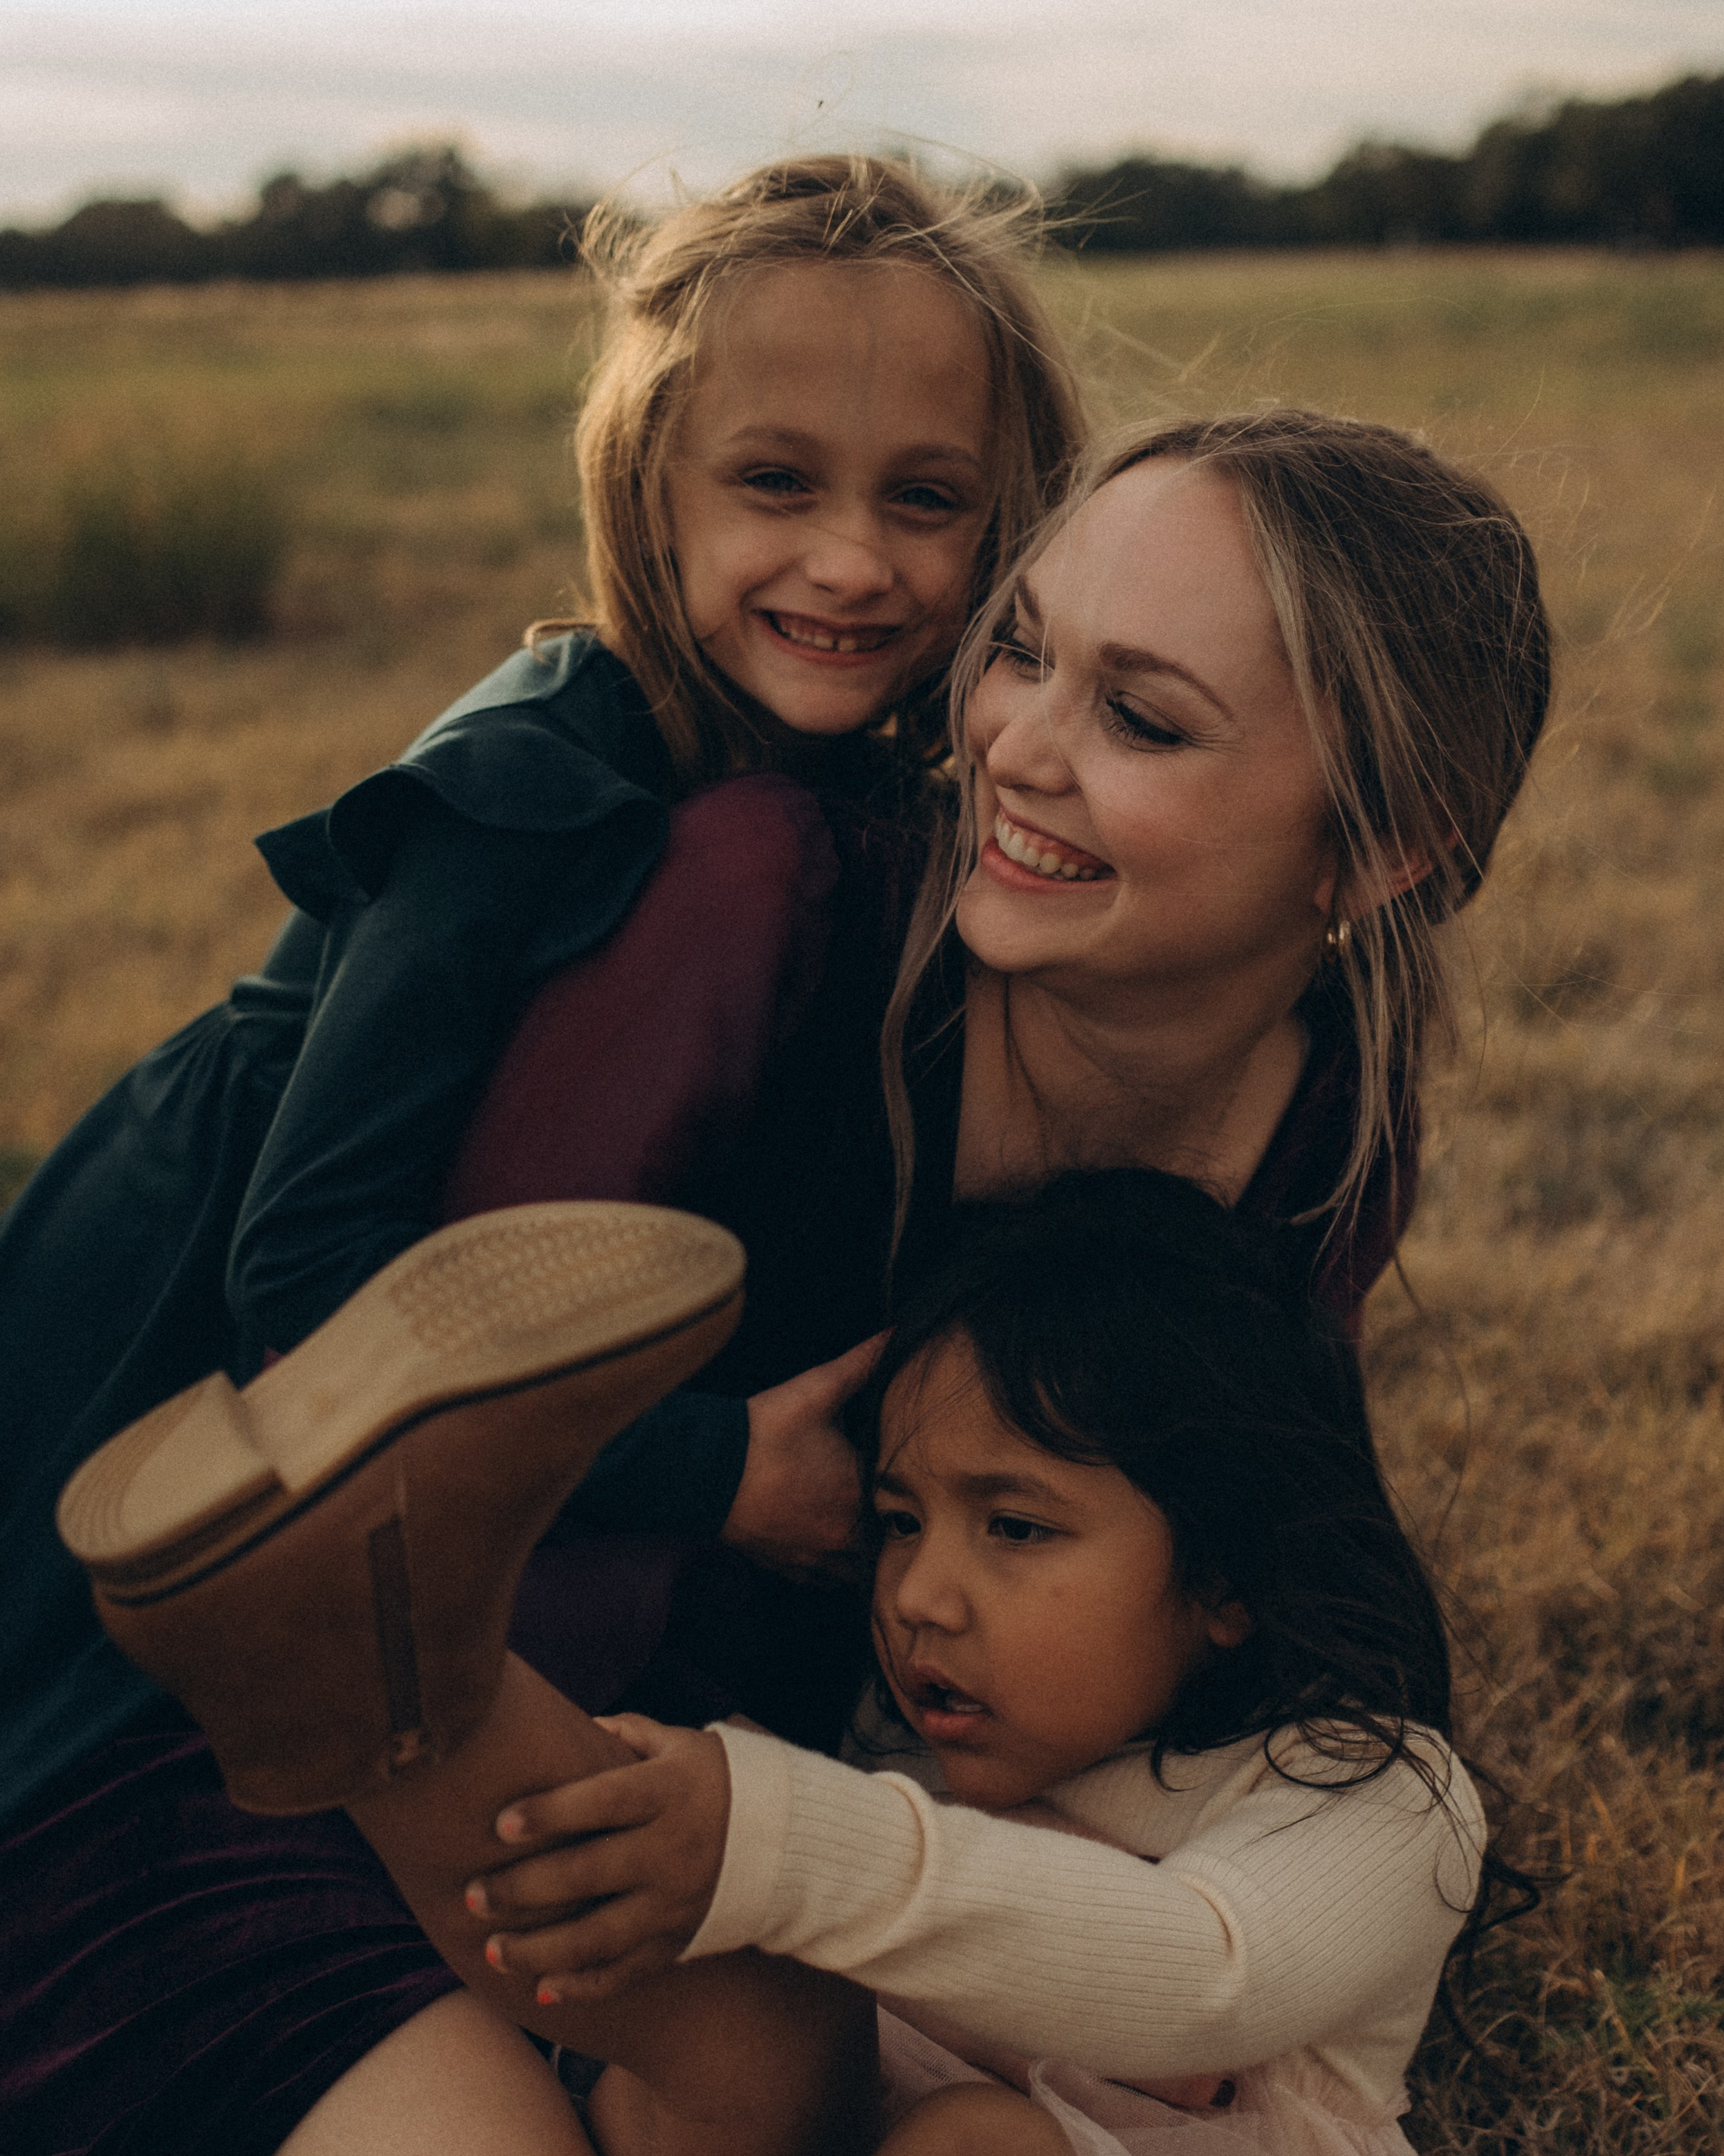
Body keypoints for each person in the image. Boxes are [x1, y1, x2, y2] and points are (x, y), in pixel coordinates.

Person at [7, 405, 1552, 2153]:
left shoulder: (1319, 1136)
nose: (1009, 748)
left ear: (1378, 844)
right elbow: (396, 1391)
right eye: (1018, 651)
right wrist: (719, 1493)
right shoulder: (760, 914)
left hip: (714, 1840)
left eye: (1134, 715)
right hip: (279, 1746)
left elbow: (1205, 1598)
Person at [0, 154, 1082, 2152]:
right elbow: (305, 1293)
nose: (852, 560)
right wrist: (714, 1469)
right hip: (151, 1557)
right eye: (777, 484)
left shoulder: (829, 791)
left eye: (924, 500)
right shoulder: (527, 785)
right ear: (649, 481)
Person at [62, 1174, 1522, 2156]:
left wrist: (772, 1838)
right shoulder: (905, 1768)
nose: (919, 1595)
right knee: (735, 1996)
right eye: (896, 1521)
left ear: (1226, 1577)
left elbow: (1212, 1975)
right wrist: (713, 1853)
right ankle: (387, 1678)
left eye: (1013, 1526)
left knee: (973, 2139)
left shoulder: (1372, 1796)